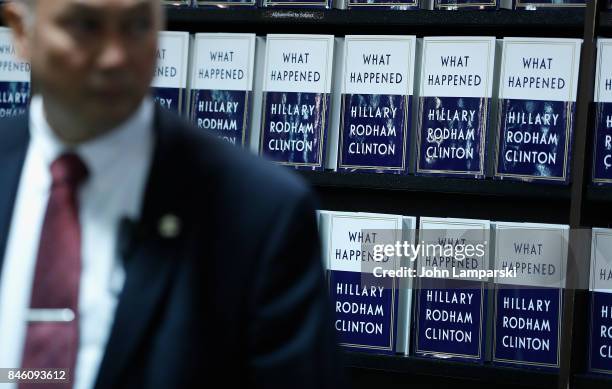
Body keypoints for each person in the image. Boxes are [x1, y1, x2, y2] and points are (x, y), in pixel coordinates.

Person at [0, 1, 342, 388]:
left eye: (137, 25)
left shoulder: (261, 213)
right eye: (86, 26)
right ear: (21, 31)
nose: (115, 56)